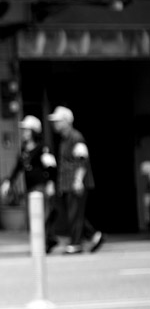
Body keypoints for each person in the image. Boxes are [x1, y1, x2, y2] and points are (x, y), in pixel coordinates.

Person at [47, 106, 103, 255]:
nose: (55, 124)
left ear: (67, 121)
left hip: (75, 183)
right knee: (74, 213)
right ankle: (94, 236)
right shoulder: (64, 139)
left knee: (75, 213)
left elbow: (82, 159)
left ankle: (76, 243)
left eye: (58, 121)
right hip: (67, 183)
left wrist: (78, 180)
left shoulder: (76, 137)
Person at [0, 115, 57, 247]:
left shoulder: (43, 148)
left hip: (41, 186)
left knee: (42, 215)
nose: (24, 133)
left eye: (27, 130)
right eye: (23, 130)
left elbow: (51, 167)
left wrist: (51, 183)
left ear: (34, 131)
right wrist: (9, 182)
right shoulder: (24, 149)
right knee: (33, 216)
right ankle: (45, 241)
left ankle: (45, 241)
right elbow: (18, 167)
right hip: (30, 187)